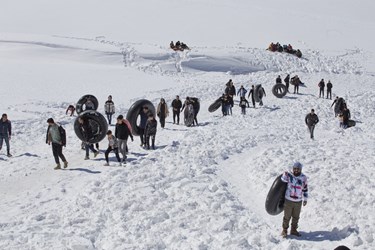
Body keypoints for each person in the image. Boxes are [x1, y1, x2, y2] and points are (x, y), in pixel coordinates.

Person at [281, 162, 308, 238]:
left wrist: (305, 199)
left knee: (296, 217)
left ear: (300, 169)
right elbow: (283, 180)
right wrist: (285, 174)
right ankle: (284, 230)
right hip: (288, 200)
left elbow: (305, 189)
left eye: (298, 169)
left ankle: (293, 230)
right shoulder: (289, 176)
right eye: (295, 169)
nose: (296, 170)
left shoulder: (303, 178)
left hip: (298, 201)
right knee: (287, 216)